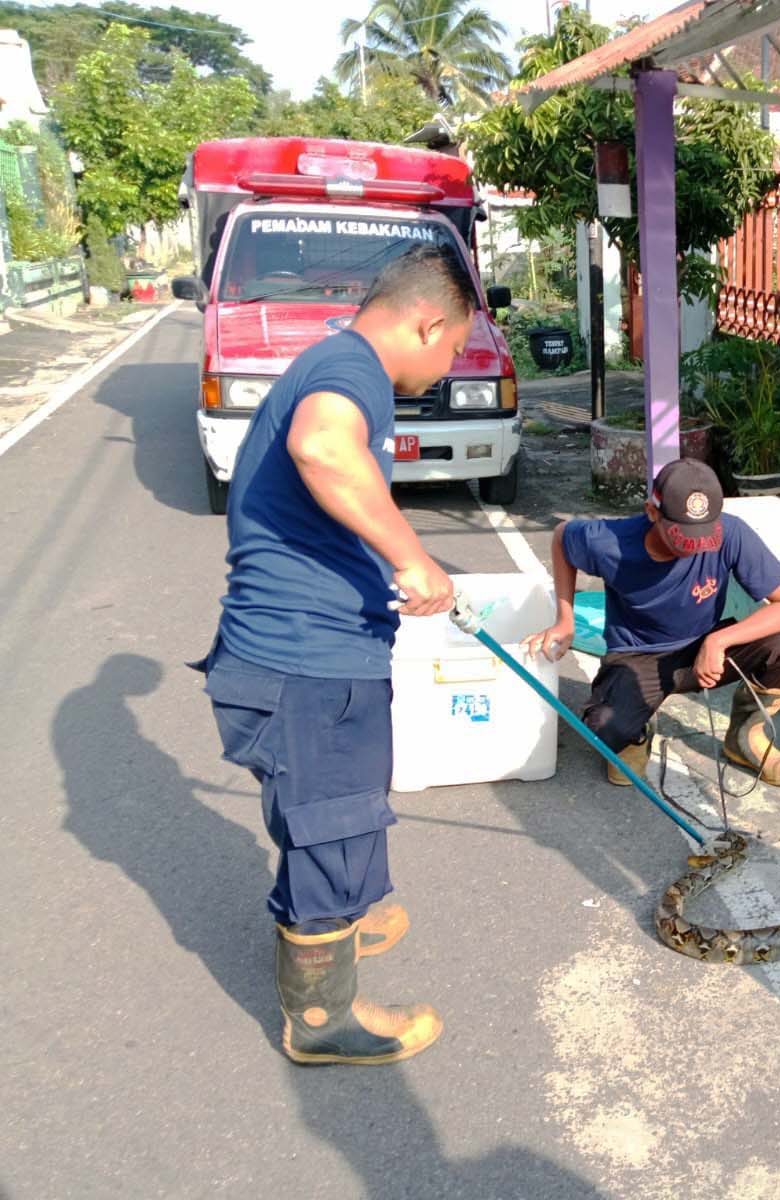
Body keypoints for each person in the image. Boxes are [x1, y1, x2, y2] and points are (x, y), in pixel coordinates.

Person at [195, 245, 470, 1066]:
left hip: (306, 656)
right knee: (331, 822)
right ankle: (322, 1019)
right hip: (306, 663)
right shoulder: (353, 371)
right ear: (428, 323)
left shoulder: (334, 359)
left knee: (342, 805)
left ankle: (352, 912)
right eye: (456, 347)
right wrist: (412, 557)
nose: (450, 365)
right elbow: (321, 447)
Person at [526, 459, 780, 788]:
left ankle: (745, 735)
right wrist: (565, 620)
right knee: (605, 729)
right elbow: (562, 537)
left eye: (704, 536)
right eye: (684, 537)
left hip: (705, 647)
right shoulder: (610, 541)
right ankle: (637, 729)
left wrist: (717, 641)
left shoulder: (731, 533)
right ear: (652, 512)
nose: (696, 547)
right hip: (639, 657)